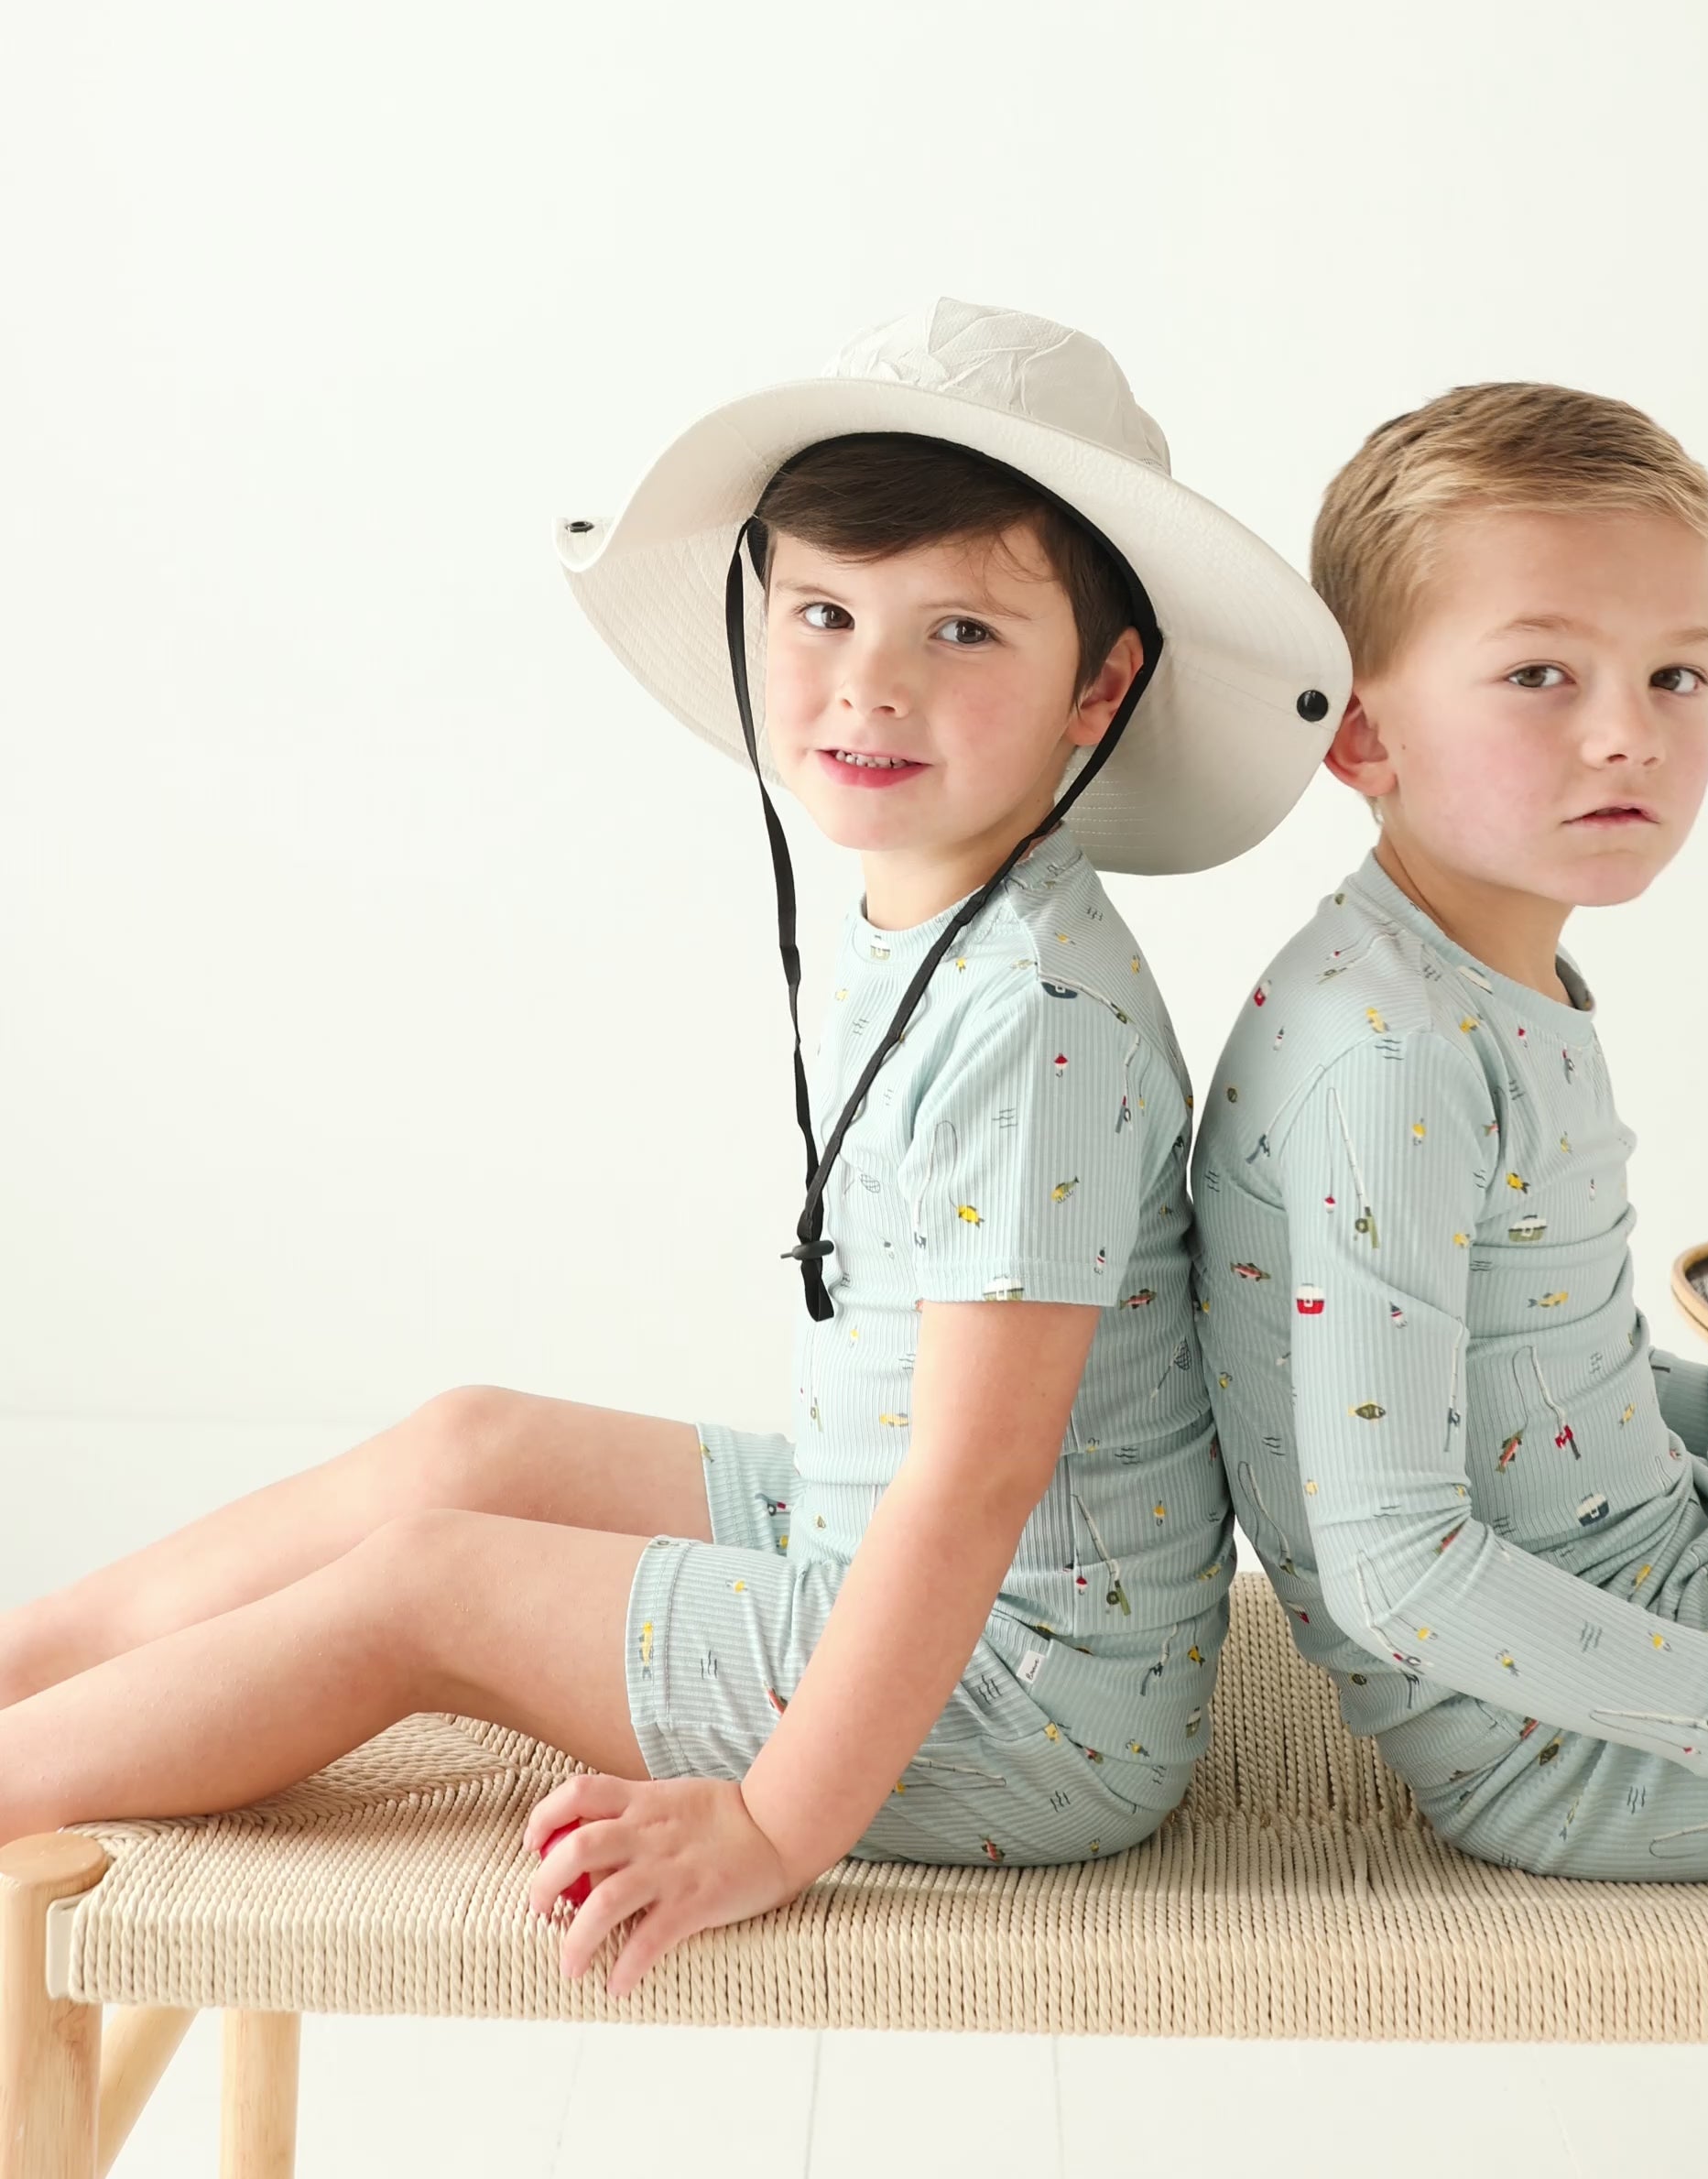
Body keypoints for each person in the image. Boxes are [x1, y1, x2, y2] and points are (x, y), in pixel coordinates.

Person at [0, 299, 1344, 1989]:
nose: (871, 684)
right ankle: (32, 1659)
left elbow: (972, 1484)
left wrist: (775, 1824)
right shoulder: (934, 903)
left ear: (1102, 686)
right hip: (904, 1551)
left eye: (962, 632)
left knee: (431, 1583)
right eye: (826, 613)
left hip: (1031, 1702)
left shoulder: (1035, 1017)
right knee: (470, 1445)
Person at [1191, 379, 1708, 1878]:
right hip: (1577, 1743)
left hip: (1684, 1554)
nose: (1629, 736)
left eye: (1677, 674)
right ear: (1361, 733)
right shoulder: (1389, 1062)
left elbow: (1517, 1375)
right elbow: (1398, 1571)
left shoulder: (1472, 978)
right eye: (1541, 673)